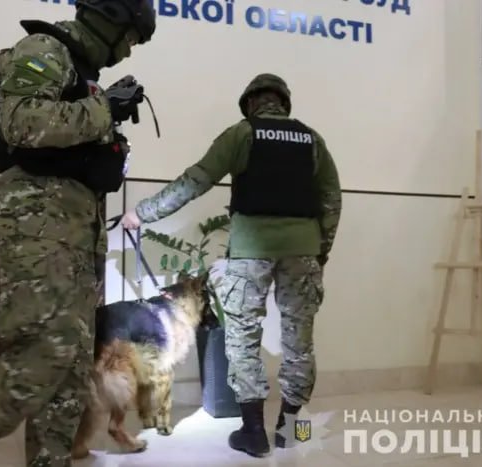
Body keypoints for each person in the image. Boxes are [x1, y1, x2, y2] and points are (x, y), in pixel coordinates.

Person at [0, 1, 156, 465]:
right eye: (131, 38)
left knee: (71, 369)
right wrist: (104, 109)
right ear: (110, 19)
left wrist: (110, 129)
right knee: (44, 350)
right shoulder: (44, 49)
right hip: (35, 223)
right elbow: (22, 122)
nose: (129, 51)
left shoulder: (85, 78)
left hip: (78, 231)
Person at [121, 73, 342, 458]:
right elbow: (331, 199)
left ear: (250, 103)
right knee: (300, 342)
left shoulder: (242, 134)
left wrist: (143, 213)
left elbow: (196, 180)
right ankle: (293, 430)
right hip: (303, 251)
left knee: (242, 337)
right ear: (283, 102)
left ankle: (253, 432)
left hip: (250, 251)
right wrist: (320, 251)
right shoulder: (312, 139)